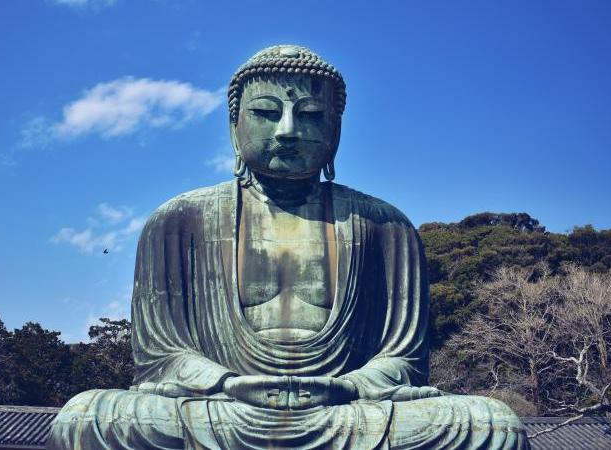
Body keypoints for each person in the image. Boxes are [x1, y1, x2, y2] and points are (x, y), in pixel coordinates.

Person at [48, 45, 529, 450]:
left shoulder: (385, 226)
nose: (288, 130)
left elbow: (404, 359)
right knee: (84, 419)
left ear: (336, 131)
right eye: (265, 112)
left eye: (311, 115)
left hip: (345, 412)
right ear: (233, 125)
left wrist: (348, 386)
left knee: (493, 425)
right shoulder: (178, 222)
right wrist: (226, 383)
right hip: (221, 409)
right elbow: (161, 356)